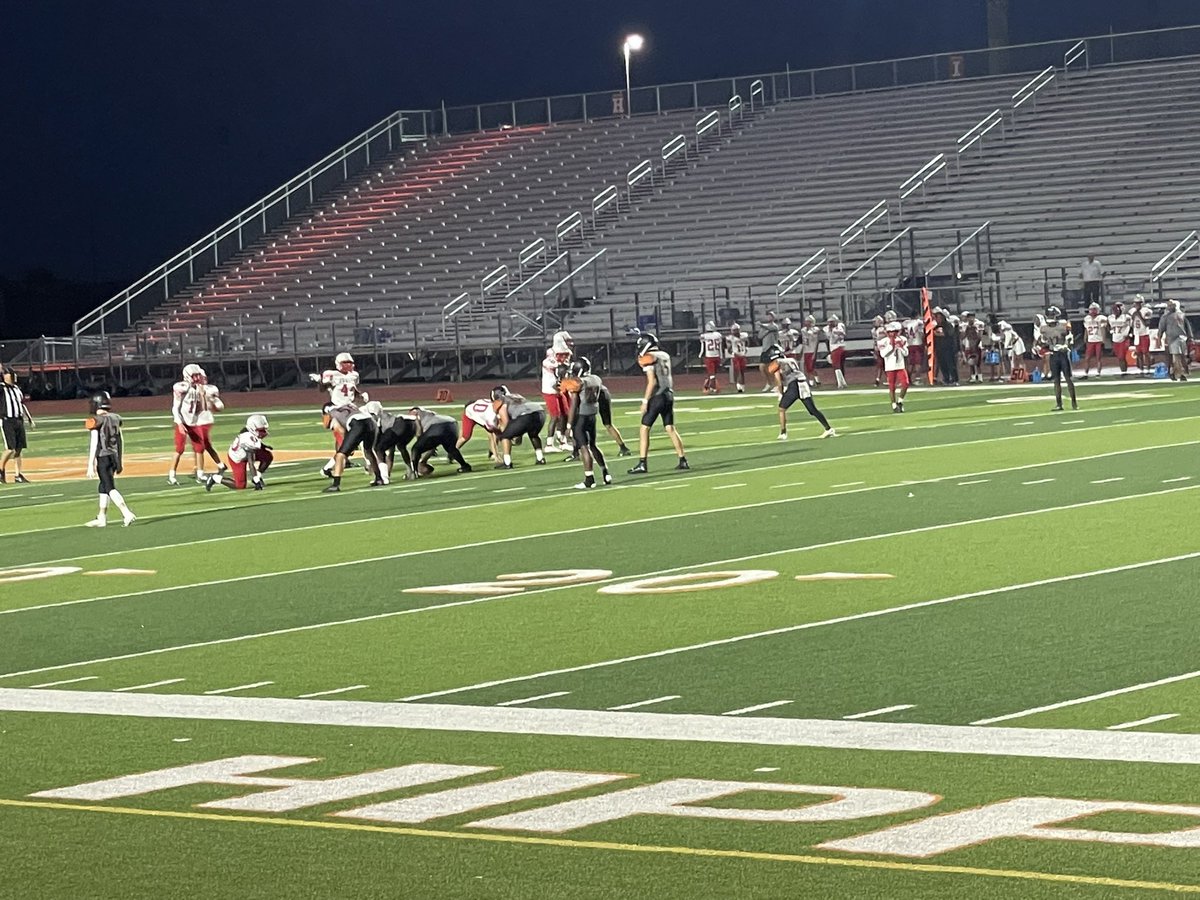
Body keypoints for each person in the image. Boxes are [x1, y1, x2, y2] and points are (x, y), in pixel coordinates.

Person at [628, 332, 689, 473]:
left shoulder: (649, 357)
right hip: (669, 394)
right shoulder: (665, 355)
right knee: (670, 428)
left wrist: (645, 401)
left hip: (657, 396)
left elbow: (652, 381)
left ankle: (642, 463)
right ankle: (683, 460)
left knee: (644, 429)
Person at [84, 392, 136, 527]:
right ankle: (102, 516)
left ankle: (126, 513)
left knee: (109, 487)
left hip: (103, 457)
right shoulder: (115, 418)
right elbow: (120, 439)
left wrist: (90, 464)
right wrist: (119, 460)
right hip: (113, 456)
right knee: (103, 486)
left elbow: (94, 442)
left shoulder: (96, 420)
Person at [168, 363, 225, 484]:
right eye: (194, 376)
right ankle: (172, 475)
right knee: (179, 449)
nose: (197, 378)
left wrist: (203, 396)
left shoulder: (200, 388)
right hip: (183, 421)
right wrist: (179, 423)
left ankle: (200, 474)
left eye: (198, 375)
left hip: (194, 422)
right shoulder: (181, 387)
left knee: (200, 448)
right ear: (187, 376)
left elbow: (203, 408)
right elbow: (175, 408)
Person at [560, 357, 612, 490]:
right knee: (593, 445)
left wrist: (568, 425)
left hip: (581, 417)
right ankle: (605, 473)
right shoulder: (596, 379)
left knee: (584, 447)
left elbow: (573, 405)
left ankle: (589, 479)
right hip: (592, 416)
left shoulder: (579, 383)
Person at [312, 352, 367, 476]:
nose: (348, 364)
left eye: (350, 362)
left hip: (349, 410)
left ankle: (332, 466)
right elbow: (322, 389)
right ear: (338, 364)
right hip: (335, 409)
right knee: (345, 440)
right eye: (345, 362)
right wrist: (320, 381)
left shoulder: (354, 375)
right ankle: (332, 466)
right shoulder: (331, 374)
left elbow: (353, 390)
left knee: (349, 440)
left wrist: (361, 396)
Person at [766, 347, 835, 440]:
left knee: (781, 409)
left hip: (794, 385)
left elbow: (778, 380)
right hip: (803, 383)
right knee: (812, 410)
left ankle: (783, 433)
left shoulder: (777, 363)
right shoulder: (791, 360)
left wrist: (781, 393)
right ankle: (828, 428)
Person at [323, 403, 383, 492]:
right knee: (368, 450)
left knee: (340, 455)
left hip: (357, 424)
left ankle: (335, 484)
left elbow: (341, 431)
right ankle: (379, 478)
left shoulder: (332, 413)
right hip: (370, 422)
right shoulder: (347, 405)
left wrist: (348, 445)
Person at [207, 415, 273, 491]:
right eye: (261, 430)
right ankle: (215, 478)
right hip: (237, 459)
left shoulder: (250, 433)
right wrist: (256, 481)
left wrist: (263, 446)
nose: (263, 432)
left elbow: (255, 441)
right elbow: (251, 463)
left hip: (246, 452)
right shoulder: (247, 439)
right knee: (240, 486)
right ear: (253, 428)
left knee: (267, 456)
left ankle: (258, 476)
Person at [492, 385, 548, 469]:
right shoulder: (516, 395)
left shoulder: (501, 401)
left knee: (505, 436)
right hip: (540, 412)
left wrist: (510, 433)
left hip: (525, 416)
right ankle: (540, 458)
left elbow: (506, 421)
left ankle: (507, 462)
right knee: (533, 434)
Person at [409, 406, 472, 475]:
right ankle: (464, 466)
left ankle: (414, 473)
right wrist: (424, 461)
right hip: (452, 424)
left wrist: (422, 460)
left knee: (415, 449)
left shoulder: (415, 413)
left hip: (436, 426)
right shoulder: (429, 414)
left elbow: (419, 433)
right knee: (451, 448)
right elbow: (432, 447)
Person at [1038, 306, 1079, 411]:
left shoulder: (1063, 325)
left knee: (1068, 379)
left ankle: (1074, 403)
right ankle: (1059, 404)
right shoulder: (1044, 328)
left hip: (1063, 354)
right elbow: (1043, 341)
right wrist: (1041, 346)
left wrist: (1066, 345)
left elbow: (1070, 338)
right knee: (1056, 380)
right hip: (1053, 354)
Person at [367, 401, 418, 481]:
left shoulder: (376, 420)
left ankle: (383, 477)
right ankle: (411, 471)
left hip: (398, 424)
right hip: (411, 424)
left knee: (379, 449)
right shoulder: (385, 416)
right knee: (401, 446)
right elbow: (391, 452)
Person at [0, 366, 34, 484]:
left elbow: (22, 404)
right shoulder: (2, 388)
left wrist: (29, 419)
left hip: (18, 420)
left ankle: (18, 475)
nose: (13, 376)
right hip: (7, 420)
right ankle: (1, 470)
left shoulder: (16, 388)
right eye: (11, 374)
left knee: (19, 449)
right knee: (10, 449)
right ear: (5, 376)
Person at [1157, 299, 1193, 381]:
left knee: (1179, 357)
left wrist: (1190, 337)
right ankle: (1179, 373)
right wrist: (1159, 338)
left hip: (1178, 338)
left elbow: (1187, 327)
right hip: (1176, 338)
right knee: (1177, 357)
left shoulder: (1176, 315)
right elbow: (1161, 328)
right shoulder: (1170, 316)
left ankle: (1176, 373)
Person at [879, 321, 910, 412]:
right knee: (892, 386)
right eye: (890, 332)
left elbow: (906, 353)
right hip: (890, 366)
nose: (892, 334)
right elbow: (883, 354)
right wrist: (891, 347)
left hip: (900, 365)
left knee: (905, 383)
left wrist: (901, 347)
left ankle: (900, 401)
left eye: (894, 332)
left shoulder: (902, 339)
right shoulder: (883, 341)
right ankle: (893, 405)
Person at [932, 309, 959, 385]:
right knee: (942, 365)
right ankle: (946, 379)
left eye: (939, 318)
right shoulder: (936, 327)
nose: (937, 319)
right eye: (936, 318)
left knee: (951, 364)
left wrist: (936, 334)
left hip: (949, 348)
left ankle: (954, 379)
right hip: (939, 349)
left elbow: (948, 334)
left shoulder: (948, 325)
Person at [1080, 302, 1108, 379]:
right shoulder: (1087, 318)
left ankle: (1098, 373)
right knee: (1087, 358)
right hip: (1090, 340)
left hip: (1098, 340)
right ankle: (1086, 373)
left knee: (1098, 358)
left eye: (1094, 309)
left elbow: (1103, 329)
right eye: (1092, 309)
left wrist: (1103, 339)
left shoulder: (1101, 318)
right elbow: (1086, 329)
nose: (1093, 311)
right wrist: (1085, 337)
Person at [757, 310, 781, 392]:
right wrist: (766, 331)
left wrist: (762, 326)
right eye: (768, 315)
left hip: (772, 348)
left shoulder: (775, 326)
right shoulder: (765, 327)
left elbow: (771, 328)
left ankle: (777, 384)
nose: (769, 317)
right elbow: (760, 336)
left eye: (771, 316)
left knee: (774, 367)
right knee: (762, 367)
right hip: (765, 349)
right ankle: (769, 382)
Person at [698, 320, 724, 394]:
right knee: (712, 374)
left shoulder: (704, 336)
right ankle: (709, 387)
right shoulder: (718, 335)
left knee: (712, 374)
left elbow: (703, 347)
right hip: (717, 355)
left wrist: (700, 355)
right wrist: (721, 356)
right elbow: (720, 347)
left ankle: (712, 388)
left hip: (709, 356)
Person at [1108, 301, 1132, 377]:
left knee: (1122, 357)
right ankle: (1123, 372)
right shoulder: (1110, 317)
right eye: (1114, 309)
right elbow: (1108, 326)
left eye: (1117, 309)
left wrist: (1129, 334)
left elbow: (1131, 326)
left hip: (1123, 339)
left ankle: (1124, 372)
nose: (1115, 311)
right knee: (1120, 357)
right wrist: (1110, 331)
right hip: (1115, 339)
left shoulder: (1126, 317)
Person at [1130, 294, 1153, 375]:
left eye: (1138, 303)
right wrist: (1134, 316)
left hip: (1144, 334)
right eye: (1136, 303)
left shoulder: (1146, 311)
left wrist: (1139, 315)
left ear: (1142, 303)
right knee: (1138, 353)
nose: (1137, 304)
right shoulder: (1132, 311)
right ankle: (1141, 370)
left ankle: (1148, 369)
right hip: (1136, 334)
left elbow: (1147, 323)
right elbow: (1131, 323)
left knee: (1146, 352)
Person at [823, 314, 848, 388]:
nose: (830, 323)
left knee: (837, 366)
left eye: (832, 322)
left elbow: (842, 333)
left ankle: (840, 383)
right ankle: (843, 382)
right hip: (836, 347)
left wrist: (834, 330)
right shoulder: (828, 329)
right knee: (837, 366)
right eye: (830, 322)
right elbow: (828, 335)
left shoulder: (839, 326)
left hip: (837, 347)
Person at [725, 323, 749, 393]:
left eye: (736, 330)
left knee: (742, 371)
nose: (735, 332)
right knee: (738, 371)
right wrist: (733, 353)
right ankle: (739, 385)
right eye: (734, 330)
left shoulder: (744, 335)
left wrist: (746, 348)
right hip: (736, 356)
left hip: (742, 355)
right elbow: (729, 348)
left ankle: (742, 385)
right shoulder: (730, 338)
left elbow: (747, 342)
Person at [799, 315, 822, 385]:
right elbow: (804, 341)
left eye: (808, 321)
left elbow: (815, 337)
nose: (806, 323)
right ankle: (813, 381)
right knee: (807, 368)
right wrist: (802, 351)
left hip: (812, 350)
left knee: (810, 367)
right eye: (806, 321)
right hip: (806, 350)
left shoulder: (815, 329)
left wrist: (815, 352)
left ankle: (814, 381)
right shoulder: (803, 330)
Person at [903, 313, 925, 385]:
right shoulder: (918, 322)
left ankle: (908, 379)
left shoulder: (906, 323)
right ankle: (917, 379)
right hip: (918, 343)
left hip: (909, 344)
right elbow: (921, 333)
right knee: (918, 363)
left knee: (911, 363)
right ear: (917, 315)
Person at [869, 315, 887, 387]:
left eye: (875, 322)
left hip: (884, 349)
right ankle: (878, 379)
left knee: (886, 365)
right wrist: (874, 350)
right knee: (880, 365)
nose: (874, 323)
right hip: (878, 349)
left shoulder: (883, 329)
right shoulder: (873, 330)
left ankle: (887, 379)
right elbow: (875, 341)